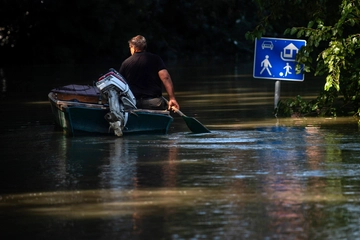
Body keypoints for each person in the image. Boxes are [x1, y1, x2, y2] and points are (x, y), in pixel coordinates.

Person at [119, 35, 180, 111]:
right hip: (154, 103)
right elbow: (165, 77)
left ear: (133, 48)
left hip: (134, 103)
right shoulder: (156, 59)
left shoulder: (126, 63)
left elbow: (120, 84)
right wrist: (172, 98)